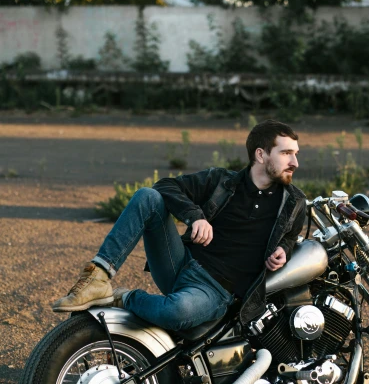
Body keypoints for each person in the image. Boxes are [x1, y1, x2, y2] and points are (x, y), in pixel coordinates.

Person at [52, 120, 307, 330]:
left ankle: (123, 298)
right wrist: (195, 216)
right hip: (181, 263)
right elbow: (165, 185)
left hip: (215, 291)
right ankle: (97, 277)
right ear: (260, 155)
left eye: (295, 154)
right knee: (147, 197)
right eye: (286, 153)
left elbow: (290, 237)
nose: (295, 162)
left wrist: (283, 251)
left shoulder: (294, 202)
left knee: (177, 313)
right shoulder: (221, 180)